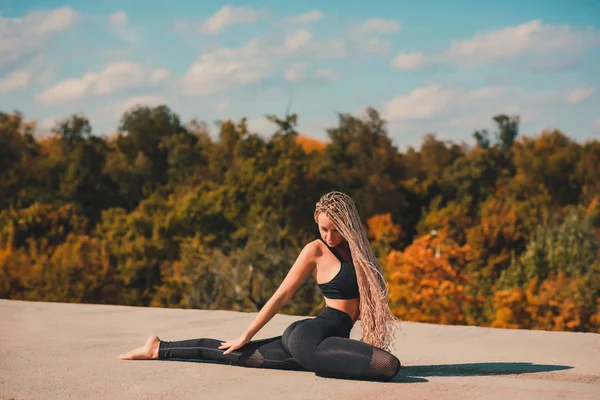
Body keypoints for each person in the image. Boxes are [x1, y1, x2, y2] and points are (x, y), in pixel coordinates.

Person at [119, 191, 402, 381]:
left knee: (234, 357)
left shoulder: (359, 253)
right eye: (323, 228)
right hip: (308, 337)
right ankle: (156, 348)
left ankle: (158, 348)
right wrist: (246, 333)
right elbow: (282, 296)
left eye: (335, 229)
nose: (329, 236)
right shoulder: (314, 251)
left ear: (348, 224)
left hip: (320, 341)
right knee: (388, 366)